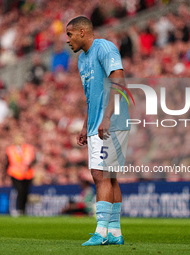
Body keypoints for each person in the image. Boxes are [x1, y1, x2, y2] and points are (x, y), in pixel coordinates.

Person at [66, 16, 130, 246]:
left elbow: (119, 81)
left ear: (83, 32)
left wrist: (107, 116)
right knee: (109, 176)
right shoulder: (81, 61)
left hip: (111, 121)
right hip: (96, 123)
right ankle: (114, 232)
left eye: (70, 34)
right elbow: (91, 95)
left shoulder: (104, 47)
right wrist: (86, 124)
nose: (68, 40)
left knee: (100, 174)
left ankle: (101, 233)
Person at [6, 134, 36, 216]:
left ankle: (23, 209)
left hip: (27, 174)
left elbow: (33, 159)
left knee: (25, 192)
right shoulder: (11, 149)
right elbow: (8, 162)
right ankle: (19, 208)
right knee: (19, 191)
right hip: (15, 174)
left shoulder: (28, 148)